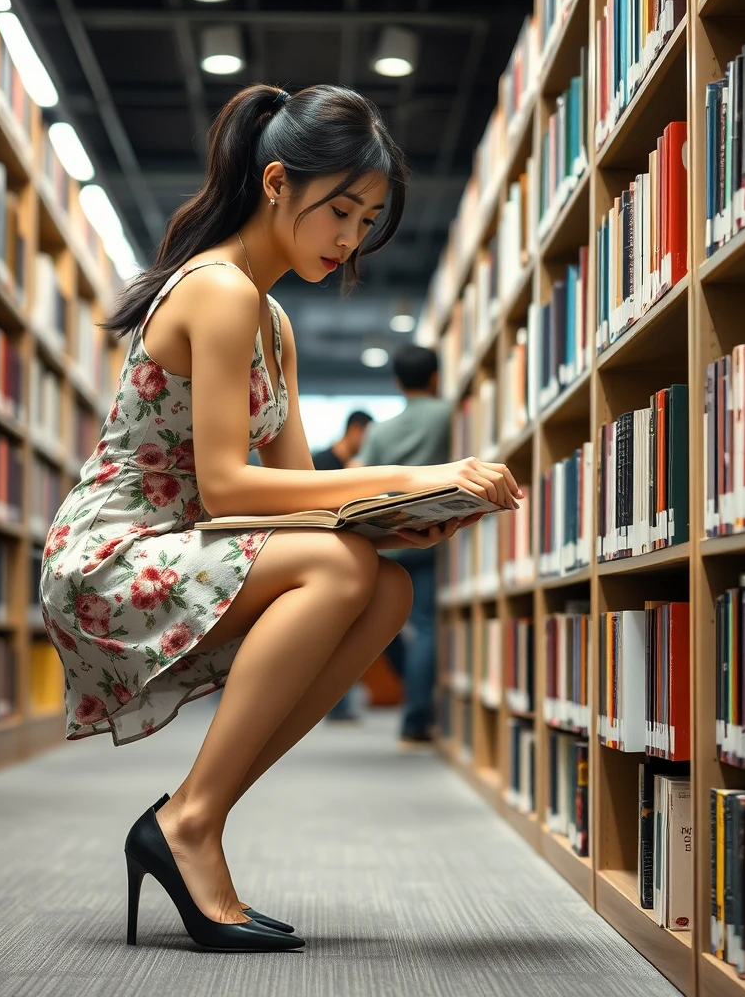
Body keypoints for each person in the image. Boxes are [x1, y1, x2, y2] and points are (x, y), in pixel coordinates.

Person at [38, 83, 522, 955]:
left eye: (367, 222)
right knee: (342, 571)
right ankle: (189, 824)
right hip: (112, 553)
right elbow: (228, 488)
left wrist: (391, 518)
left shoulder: (273, 321)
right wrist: (420, 468)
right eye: (340, 211)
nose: (349, 242)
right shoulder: (219, 290)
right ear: (274, 183)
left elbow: (299, 492)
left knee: (378, 588)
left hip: (186, 546)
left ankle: (191, 815)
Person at [354, 345, 451, 748]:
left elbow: (363, 480)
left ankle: (407, 694)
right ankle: (415, 722)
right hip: (431, 533)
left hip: (387, 537)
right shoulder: (447, 414)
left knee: (388, 624)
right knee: (426, 626)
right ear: (435, 377)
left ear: (397, 381)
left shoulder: (379, 431)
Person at [312, 409, 373, 721]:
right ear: (354, 430)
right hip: (325, 550)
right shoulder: (323, 461)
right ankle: (336, 707)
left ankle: (340, 706)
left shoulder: (357, 466)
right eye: (367, 434)